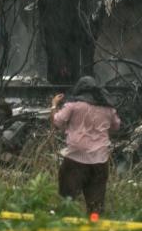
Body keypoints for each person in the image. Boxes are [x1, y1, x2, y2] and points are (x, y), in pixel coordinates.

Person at [50, 76, 120, 215]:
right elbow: (116, 127)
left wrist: (54, 104)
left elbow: (57, 122)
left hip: (75, 160)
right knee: (96, 204)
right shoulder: (108, 109)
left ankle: (67, 225)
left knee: (67, 199)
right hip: (100, 160)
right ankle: (94, 228)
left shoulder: (73, 106)